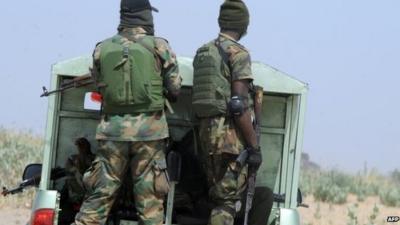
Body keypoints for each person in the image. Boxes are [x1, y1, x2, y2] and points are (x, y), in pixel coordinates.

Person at [73, 0, 181, 224]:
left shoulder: (101, 48)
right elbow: (175, 89)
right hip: (149, 135)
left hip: (112, 132)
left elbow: (99, 85)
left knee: (100, 196)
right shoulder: (160, 46)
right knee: (150, 202)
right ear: (145, 16)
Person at [192, 1, 262, 225]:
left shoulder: (203, 52)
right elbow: (237, 105)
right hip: (228, 142)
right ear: (243, 25)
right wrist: (254, 146)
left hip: (205, 136)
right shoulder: (238, 54)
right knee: (226, 202)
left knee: (216, 196)